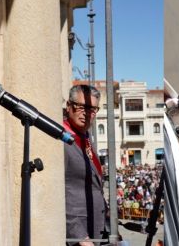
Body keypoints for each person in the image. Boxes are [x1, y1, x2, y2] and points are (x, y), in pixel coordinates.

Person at [64, 85, 107, 246]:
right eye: (81, 107)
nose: (87, 113)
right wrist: (79, 236)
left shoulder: (86, 137)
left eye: (92, 109)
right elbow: (59, 192)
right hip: (78, 236)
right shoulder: (61, 139)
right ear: (69, 106)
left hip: (95, 227)